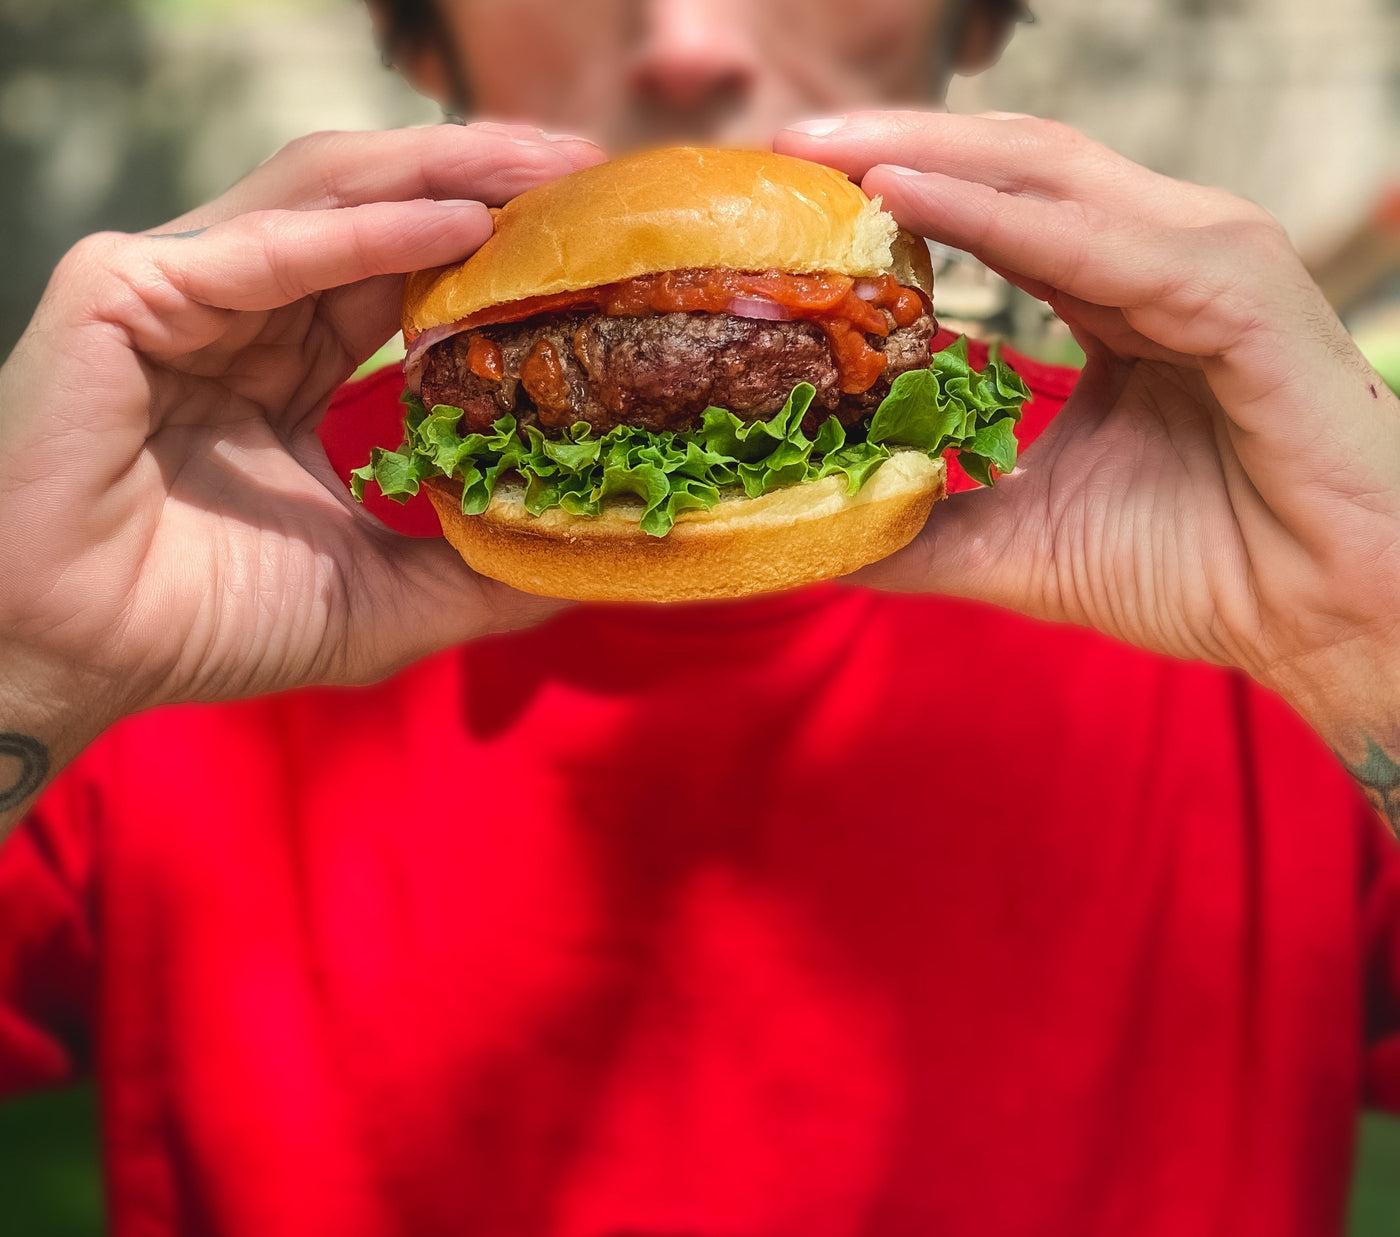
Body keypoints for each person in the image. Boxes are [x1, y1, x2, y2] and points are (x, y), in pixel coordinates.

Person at [1, 1, 1398, 1233]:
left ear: (971, 21)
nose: (685, 40)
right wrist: (30, 654)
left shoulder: (1244, 544)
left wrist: (1371, 646)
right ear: (425, 34)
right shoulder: (192, 547)